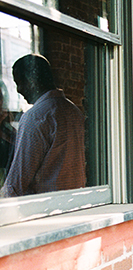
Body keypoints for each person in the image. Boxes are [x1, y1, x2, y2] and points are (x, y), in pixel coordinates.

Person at [0, 54, 86, 198]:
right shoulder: (74, 112)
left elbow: (16, 184)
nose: (18, 90)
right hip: (74, 202)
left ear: (31, 81)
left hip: (45, 208)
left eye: (19, 83)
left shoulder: (35, 117)